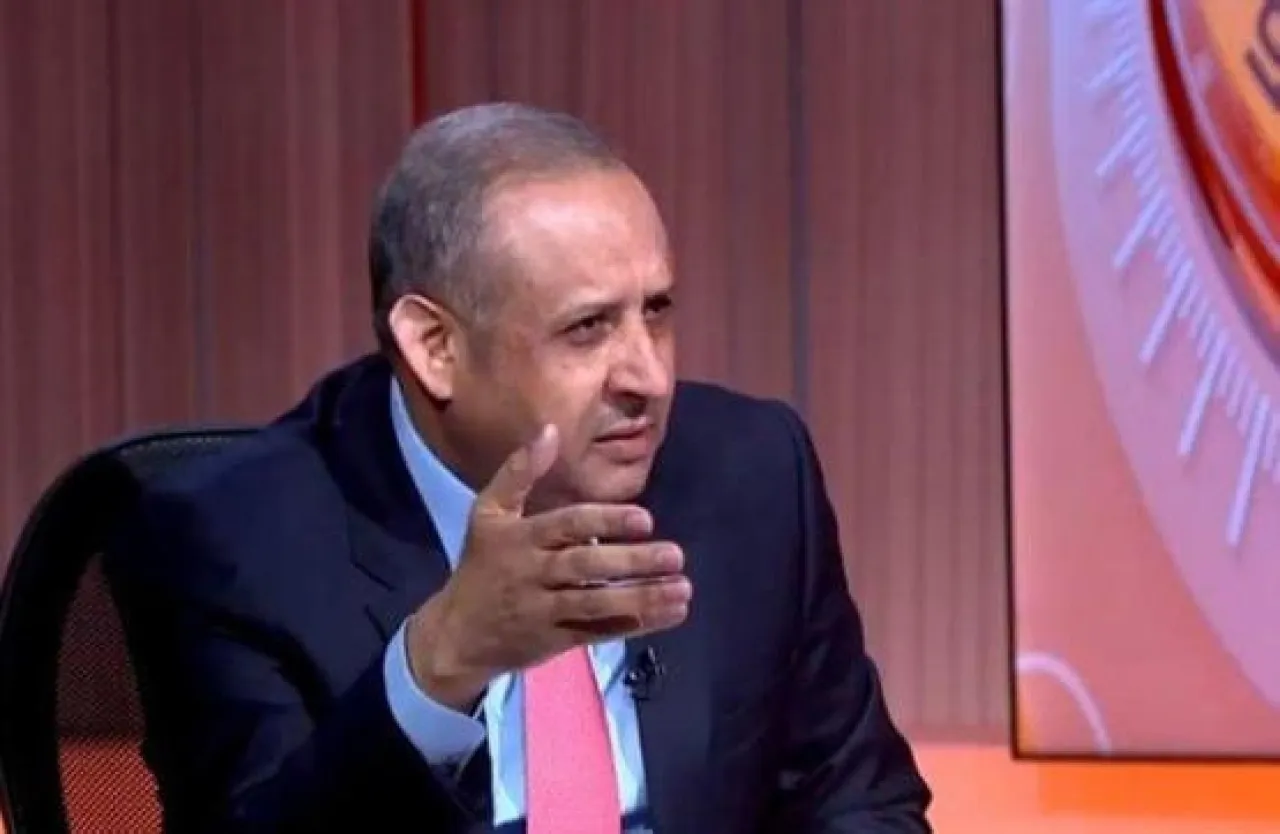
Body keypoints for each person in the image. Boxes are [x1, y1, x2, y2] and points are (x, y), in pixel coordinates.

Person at [105, 102, 932, 834]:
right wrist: (436, 670)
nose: (649, 377)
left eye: (656, 311)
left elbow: (859, 801)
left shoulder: (751, 473)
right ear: (435, 347)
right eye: (587, 328)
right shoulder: (233, 542)